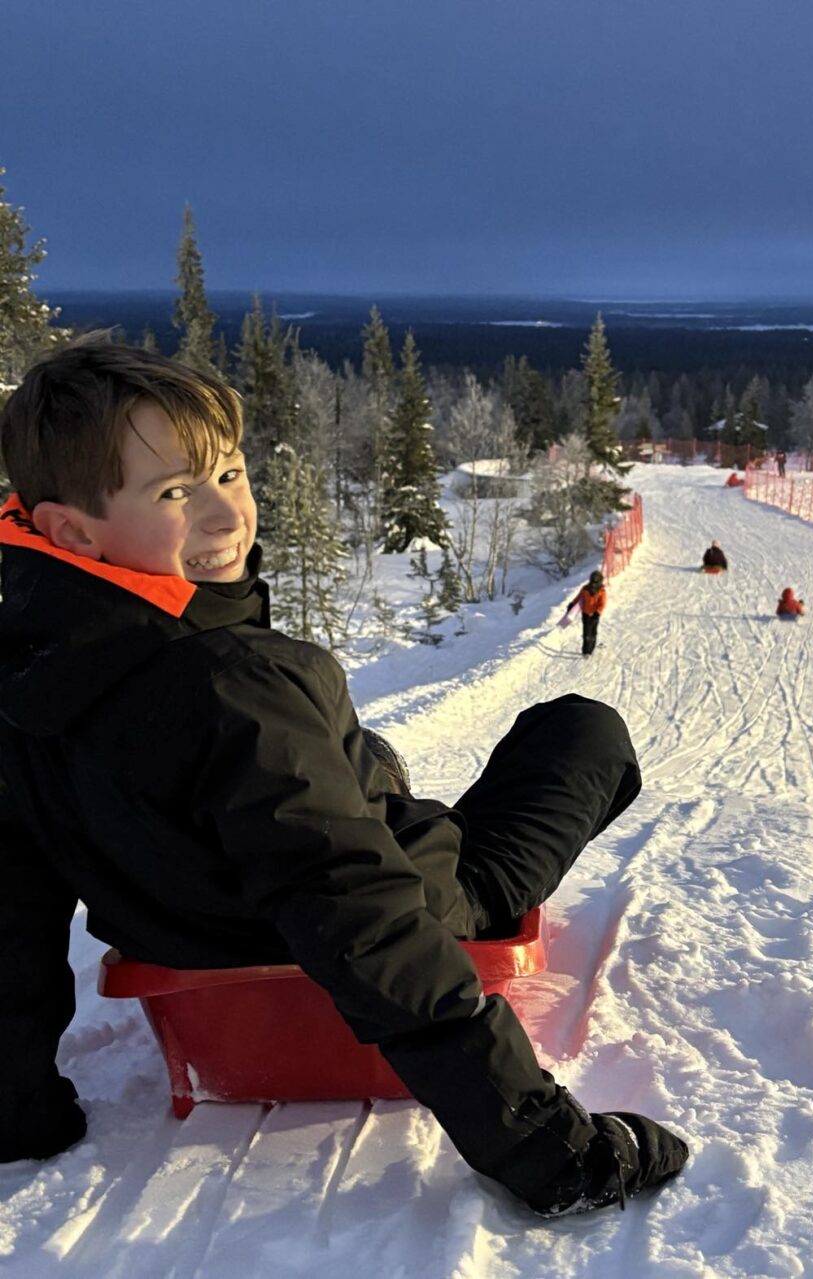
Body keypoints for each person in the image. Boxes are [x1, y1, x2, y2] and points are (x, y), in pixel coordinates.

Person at [0, 342, 688, 1216]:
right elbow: (360, 910)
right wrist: (542, 1142)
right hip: (407, 907)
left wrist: (14, 1108)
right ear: (69, 530)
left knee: (365, 760)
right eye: (175, 493)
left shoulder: (22, 683)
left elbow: (12, 909)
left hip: (195, 927)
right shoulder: (238, 682)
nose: (226, 516)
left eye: (231, 473)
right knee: (580, 729)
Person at [566, 569, 606, 656]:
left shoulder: (602, 592)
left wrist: (598, 613)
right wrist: (572, 604)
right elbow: (578, 598)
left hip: (595, 615)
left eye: (596, 582)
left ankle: (591, 648)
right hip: (585, 614)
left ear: (600, 582)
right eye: (593, 581)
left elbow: (602, 604)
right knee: (586, 633)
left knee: (593, 632)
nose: (594, 584)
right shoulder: (585, 589)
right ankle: (585, 651)